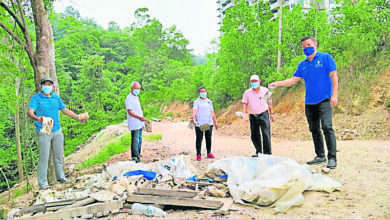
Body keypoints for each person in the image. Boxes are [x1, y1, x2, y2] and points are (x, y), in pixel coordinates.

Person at [269, 36, 338, 169]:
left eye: (309, 45)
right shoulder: (303, 65)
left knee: (327, 126)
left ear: (315, 44)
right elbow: (293, 80)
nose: (306, 48)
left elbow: (334, 75)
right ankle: (320, 155)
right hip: (310, 102)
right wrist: (278, 83)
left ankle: (332, 158)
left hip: (325, 99)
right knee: (314, 129)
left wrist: (334, 95)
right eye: (304, 46)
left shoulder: (326, 58)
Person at [28, 76, 87, 190]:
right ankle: (43, 183)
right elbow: (30, 112)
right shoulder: (36, 98)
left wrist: (77, 117)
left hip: (57, 129)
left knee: (59, 155)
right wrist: (37, 118)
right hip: (44, 128)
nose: (47, 86)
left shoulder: (56, 98)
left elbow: (65, 110)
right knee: (44, 157)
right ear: (41, 86)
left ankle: (61, 177)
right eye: (45, 84)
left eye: (50, 84)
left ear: (53, 86)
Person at [242, 75, 275, 157]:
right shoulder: (247, 93)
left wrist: (272, 113)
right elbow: (245, 104)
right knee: (254, 134)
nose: (254, 83)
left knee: (266, 133)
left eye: (255, 81)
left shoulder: (265, 91)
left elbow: (269, 102)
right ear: (250, 82)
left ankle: (267, 153)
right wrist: (244, 114)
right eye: (252, 81)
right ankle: (259, 152)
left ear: (259, 81)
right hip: (253, 115)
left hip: (263, 113)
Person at [190, 86, 218, 161]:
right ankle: (198, 154)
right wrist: (192, 117)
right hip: (200, 123)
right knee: (199, 138)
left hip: (208, 123)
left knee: (208, 138)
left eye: (204, 91)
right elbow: (195, 110)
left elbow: (212, 112)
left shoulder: (209, 101)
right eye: (201, 92)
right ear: (199, 93)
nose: (203, 93)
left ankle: (209, 153)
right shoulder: (197, 102)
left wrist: (215, 122)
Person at [125, 81, 147, 163]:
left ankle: (138, 154)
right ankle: (135, 157)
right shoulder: (129, 98)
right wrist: (139, 117)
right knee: (135, 140)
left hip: (139, 122)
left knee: (139, 140)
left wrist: (142, 118)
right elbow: (130, 112)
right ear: (132, 88)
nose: (138, 90)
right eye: (136, 89)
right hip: (134, 122)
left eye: (139, 89)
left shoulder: (136, 97)